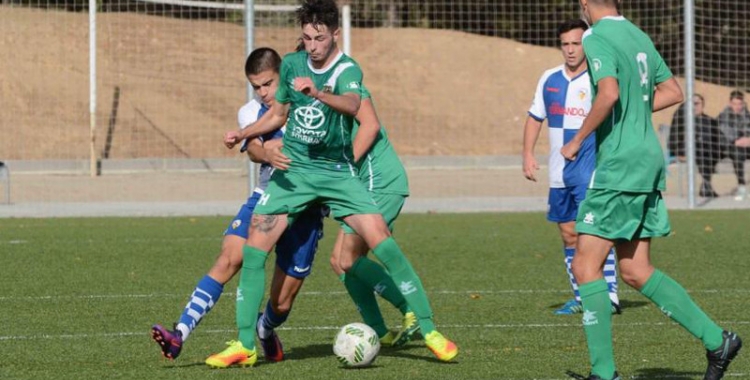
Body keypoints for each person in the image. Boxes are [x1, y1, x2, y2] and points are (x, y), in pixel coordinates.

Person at [216, 0, 457, 367]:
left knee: (383, 244)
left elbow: (353, 104)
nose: (312, 46)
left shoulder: (347, 69)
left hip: (337, 173)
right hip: (295, 173)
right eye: (306, 38)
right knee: (254, 248)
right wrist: (244, 134)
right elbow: (278, 114)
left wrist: (318, 93)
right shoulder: (293, 63)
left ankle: (429, 330)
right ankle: (245, 344)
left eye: (319, 38)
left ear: (335, 34)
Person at [561, 1, 742, 379]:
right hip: (648, 159)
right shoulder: (637, 34)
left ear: (583, 3)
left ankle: (603, 373)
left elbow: (608, 93)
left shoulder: (597, 37)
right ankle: (717, 339)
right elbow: (672, 91)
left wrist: (578, 138)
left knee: (584, 264)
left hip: (621, 164)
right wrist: (637, 113)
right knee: (635, 269)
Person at [150, 47, 325, 363]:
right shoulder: (250, 111)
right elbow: (256, 150)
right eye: (256, 86)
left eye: (267, 84)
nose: (262, 93)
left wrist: (283, 145)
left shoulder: (307, 101)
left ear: (281, 74)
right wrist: (267, 151)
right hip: (266, 197)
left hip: (306, 208)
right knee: (230, 257)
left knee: (282, 303)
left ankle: (265, 329)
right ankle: (180, 334)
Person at [523, 19, 620, 316]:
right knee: (568, 234)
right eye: (565, 44)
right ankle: (581, 297)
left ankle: (611, 295)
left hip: (589, 169)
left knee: (595, 231)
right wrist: (527, 153)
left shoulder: (598, 80)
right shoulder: (549, 78)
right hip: (557, 171)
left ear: (586, 45)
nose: (570, 49)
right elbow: (535, 116)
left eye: (576, 43)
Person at [668, 94, 723, 198]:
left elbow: (718, 139)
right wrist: (677, 153)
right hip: (686, 151)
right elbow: (673, 139)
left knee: (707, 150)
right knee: (700, 149)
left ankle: (706, 185)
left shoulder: (710, 121)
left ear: (703, 105)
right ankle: (707, 186)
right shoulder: (681, 120)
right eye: (691, 104)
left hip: (709, 153)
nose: (694, 107)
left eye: (697, 104)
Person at [717, 90, 750, 201]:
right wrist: (736, 140)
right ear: (730, 103)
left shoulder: (747, 115)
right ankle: (741, 186)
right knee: (737, 154)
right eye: (735, 104)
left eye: (740, 104)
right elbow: (725, 134)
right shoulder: (723, 116)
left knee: (741, 151)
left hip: (747, 145)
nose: (738, 107)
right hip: (729, 147)